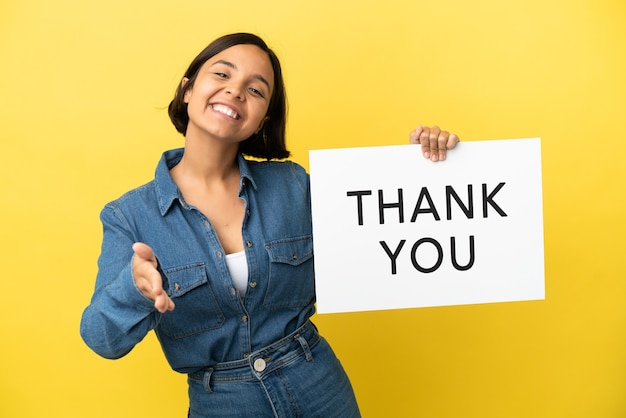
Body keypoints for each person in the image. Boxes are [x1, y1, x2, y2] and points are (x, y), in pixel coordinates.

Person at [80, 32, 460, 418]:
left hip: (319, 388)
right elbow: (101, 339)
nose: (235, 92)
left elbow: (382, 235)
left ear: (263, 118)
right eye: (222, 75)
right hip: (222, 404)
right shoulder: (128, 216)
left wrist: (422, 172)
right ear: (187, 90)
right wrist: (135, 290)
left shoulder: (294, 186)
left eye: (256, 90)